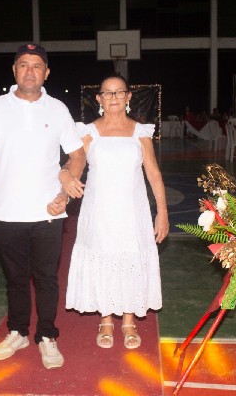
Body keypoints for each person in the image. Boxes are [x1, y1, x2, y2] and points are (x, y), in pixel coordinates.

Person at [0, 43, 86, 369]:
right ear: (14, 70)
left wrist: (64, 195)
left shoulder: (57, 109)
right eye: (23, 64)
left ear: (46, 72)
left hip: (48, 211)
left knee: (46, 278)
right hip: (7, 212)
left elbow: (77, 155)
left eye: (36, 65)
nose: (29, 71)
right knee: (15, 279)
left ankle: (47, 336)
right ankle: (17, 331)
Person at [65, 74, 169, 350]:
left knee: (130, 257)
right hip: (99, 211)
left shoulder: (140, 132)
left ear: (128, 97)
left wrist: (162, 212)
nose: (114, 97)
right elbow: (75, 166)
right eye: (108, 93)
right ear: (98, 99)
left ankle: (129, 321)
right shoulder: (88, 132)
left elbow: (154, 174)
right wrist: (63, 186)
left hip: (132, 211)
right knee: (104, 257)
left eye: (119, 92)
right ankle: (106, 320)